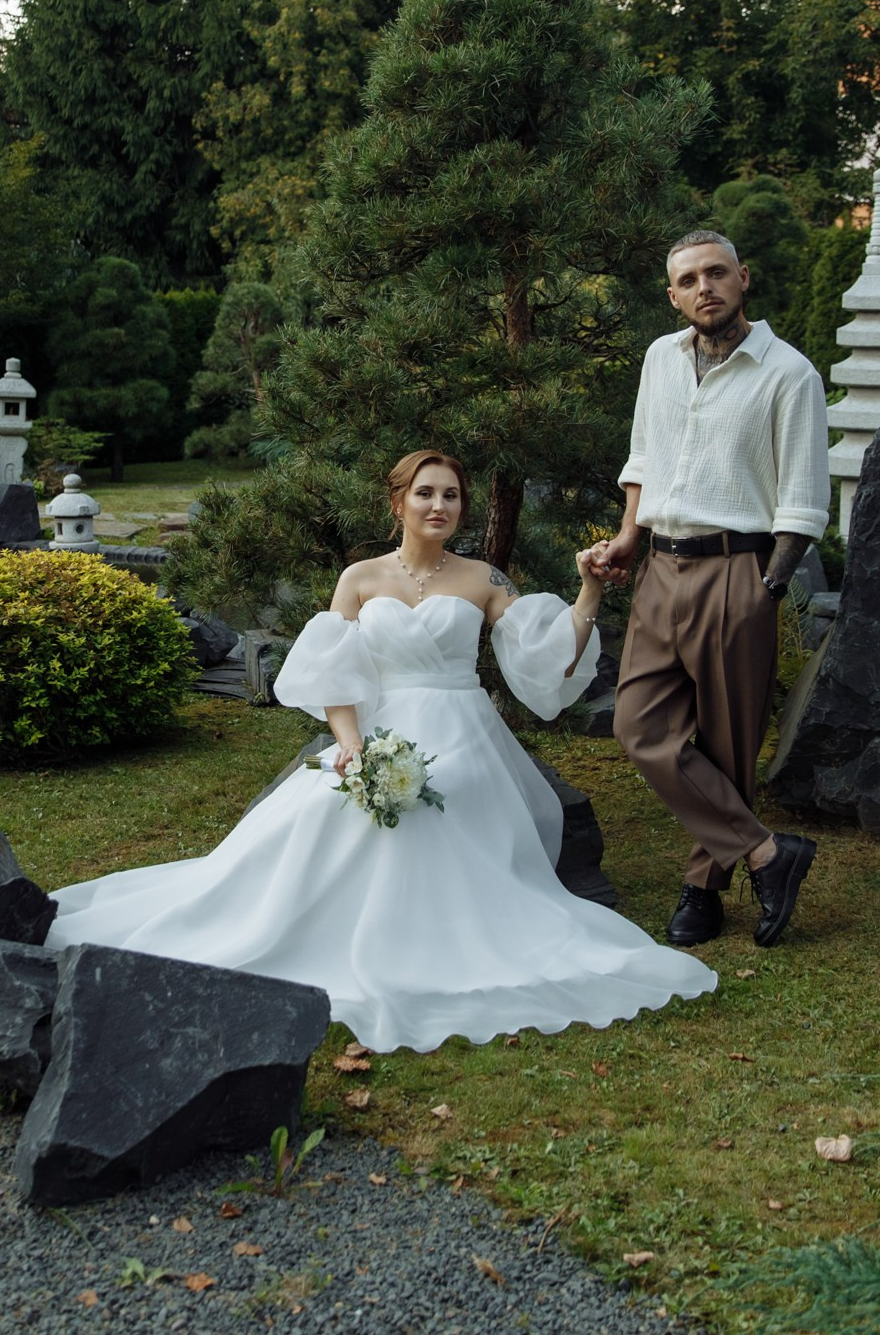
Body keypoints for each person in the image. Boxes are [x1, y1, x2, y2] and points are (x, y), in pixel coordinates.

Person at [43, 449, 716, 1053]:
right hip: (379, 727)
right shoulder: (360, 578)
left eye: (451, 495)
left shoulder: (486, 579)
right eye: (426, 493)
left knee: (442, 807)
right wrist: (353, 749)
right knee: (315, 816)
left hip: (463, 729)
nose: (439, 506)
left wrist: (590, 589)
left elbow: (547, 661)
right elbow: (337, 673)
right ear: (398, 502)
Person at [585, 230, 830, 950]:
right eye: (688, 278)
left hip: (739, 568)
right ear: (673, 294)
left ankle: (702, 889)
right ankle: (764, 853)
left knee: (727, 742)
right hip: (662, 565)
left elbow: (804, 500)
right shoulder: (661, 358)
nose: (704, 287)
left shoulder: (790, 374)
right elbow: (643, 454)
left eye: (716, 273)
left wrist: (767, 590)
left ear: (743, 278)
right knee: (638, 725)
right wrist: (631, 533)